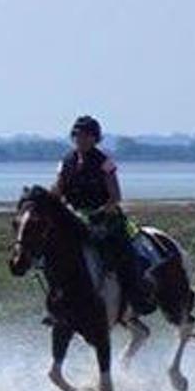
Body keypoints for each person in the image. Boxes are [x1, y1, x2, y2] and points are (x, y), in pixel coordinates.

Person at [51, 115, 155, 316]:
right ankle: (58, 303)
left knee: (122, 253)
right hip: (75, 219)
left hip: (105, 219)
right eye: (77, 135)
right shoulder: (65, 162)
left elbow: (115, 197)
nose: (80, 139)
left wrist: (97, 213)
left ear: (95, 138)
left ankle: (137, 297)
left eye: (85, 136)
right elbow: (57, 192)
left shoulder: (104, 163)